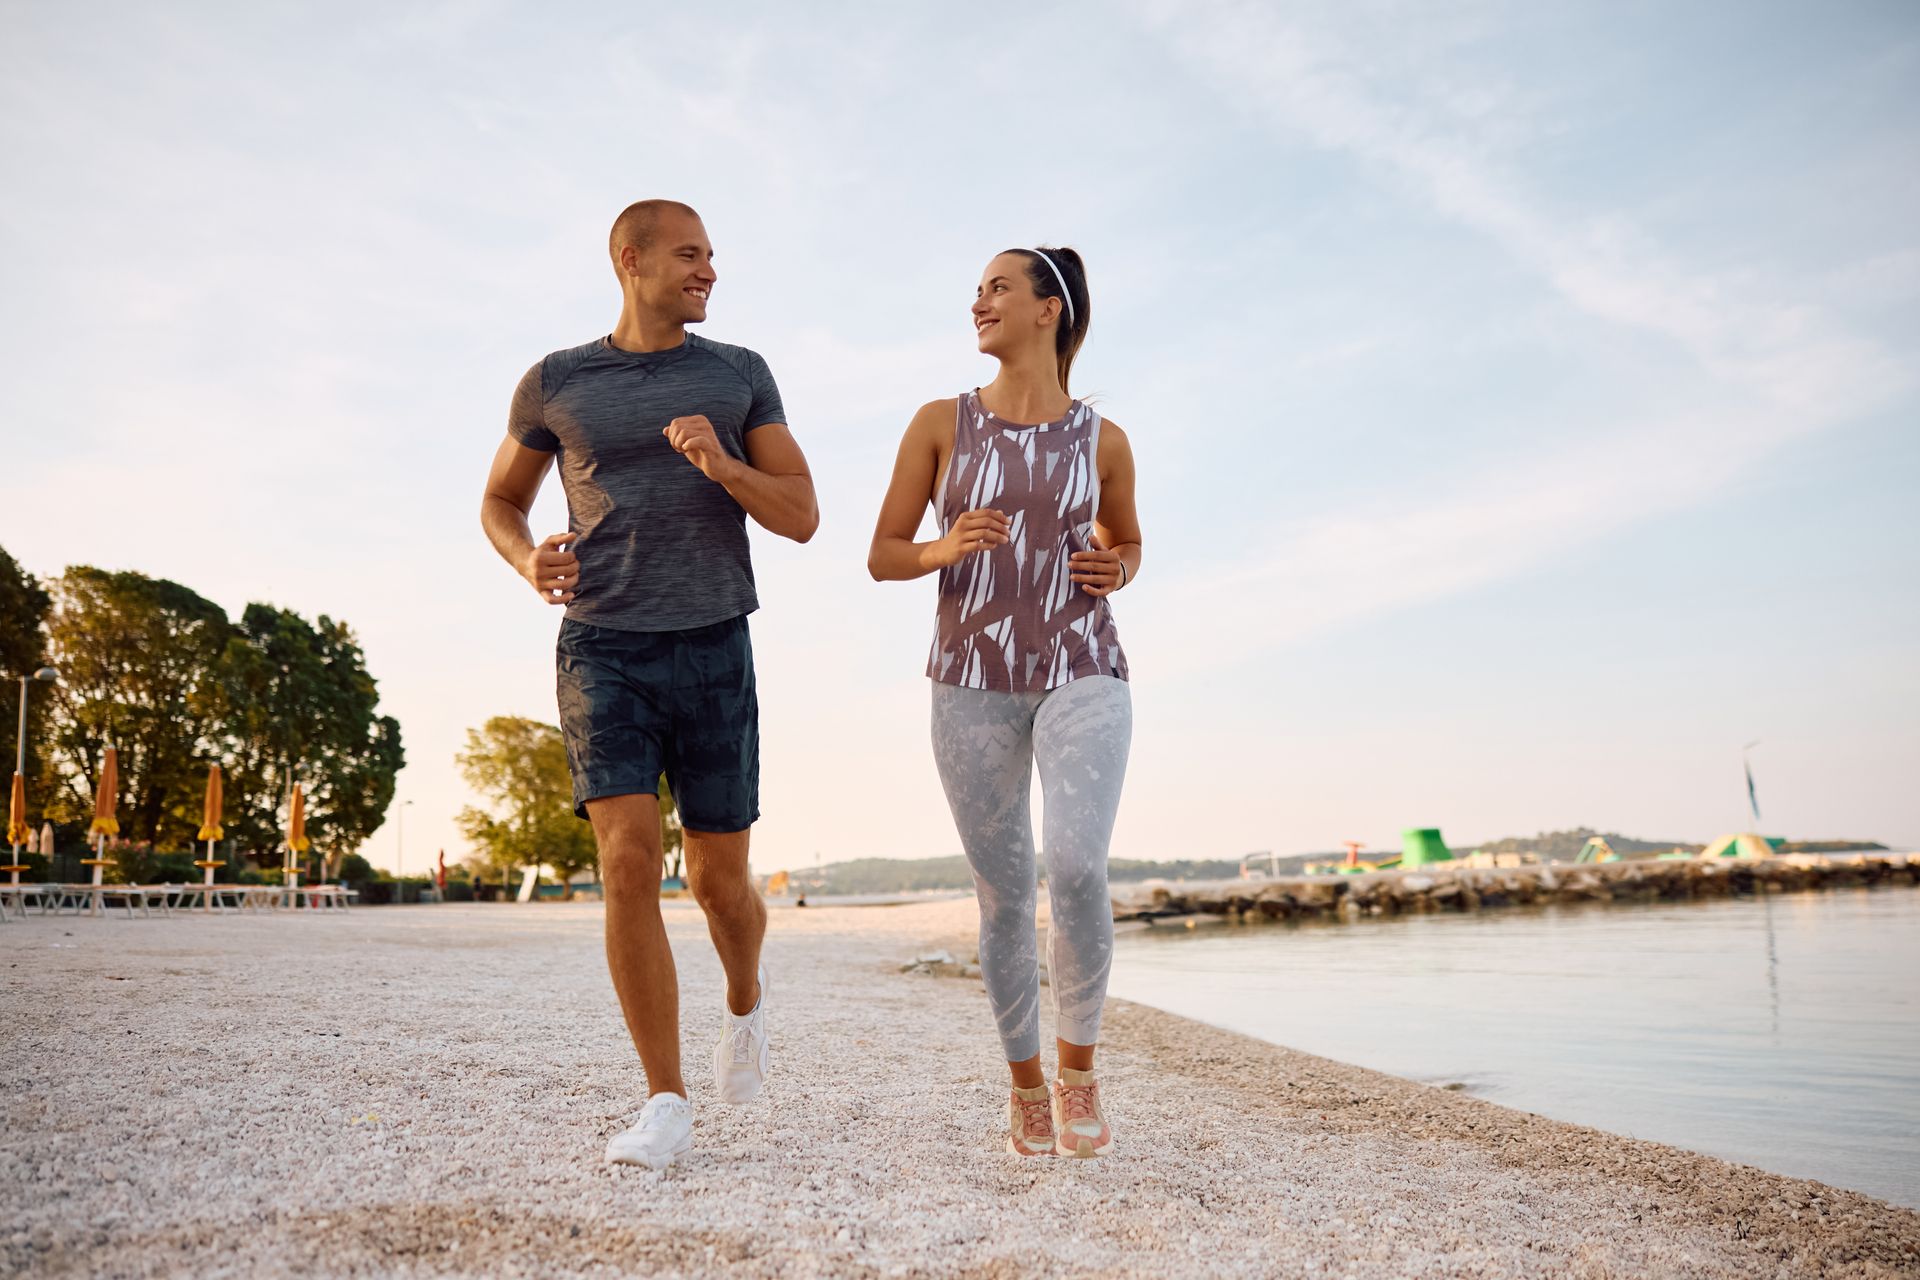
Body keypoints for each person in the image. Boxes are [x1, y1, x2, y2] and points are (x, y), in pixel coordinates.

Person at [482, 199, 819, 1169]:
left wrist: (722, 463)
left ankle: (745, 1003)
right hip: (601, 645)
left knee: (719, 882)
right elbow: (503, 499)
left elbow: (801, 512)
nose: (708, 270)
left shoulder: (738, 374)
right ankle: (664, 1100)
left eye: (711, 255)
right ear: (631, 260)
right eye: (689, 255)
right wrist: (523, 558)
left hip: (714, 642)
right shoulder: (557, 381)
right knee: (628, 859)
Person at [867, 246, 1140, 1158]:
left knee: (1075, 865)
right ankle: (1024, 1085)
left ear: (1048, 310)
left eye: (998, 287)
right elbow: (883, 551)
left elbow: (1127, 543)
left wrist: (1118, 565)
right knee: (1001, 895)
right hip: (970, 677)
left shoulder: (1104, 440)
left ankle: (1079, 1070)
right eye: (978, 288)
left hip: (1081, 664)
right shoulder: (940, 422)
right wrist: (942, 551)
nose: (978, 300)